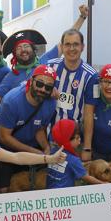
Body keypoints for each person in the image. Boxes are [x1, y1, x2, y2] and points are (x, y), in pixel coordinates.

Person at [0, 65, 58, 191]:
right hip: (6, 148)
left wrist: (46, 148)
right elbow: (4, 138)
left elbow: (39, 128)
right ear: (31, 81)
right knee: (3, 190)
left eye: (48, 87)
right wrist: (34, 152)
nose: (42, 89)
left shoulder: (50, 102)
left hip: (31, 146)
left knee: (46, 183)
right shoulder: (11, 101)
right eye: (40, 84)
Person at [46, 28, 100, 162]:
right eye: (67, 44)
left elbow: (89, 114)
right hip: (51, 137)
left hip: (75, 139)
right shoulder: (50, 66)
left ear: (82, 47)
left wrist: (87, 148)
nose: (71, 48)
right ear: (62, 47)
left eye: (75, 44)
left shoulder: (91, 76)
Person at [47, 119, 102, 188]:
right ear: (67, 141)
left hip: (49, 192)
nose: (80, 139)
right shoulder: (73, 160)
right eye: (77, 138)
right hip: (65, 195)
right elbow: (86, 178)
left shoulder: (53, 152)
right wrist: (103, 183)